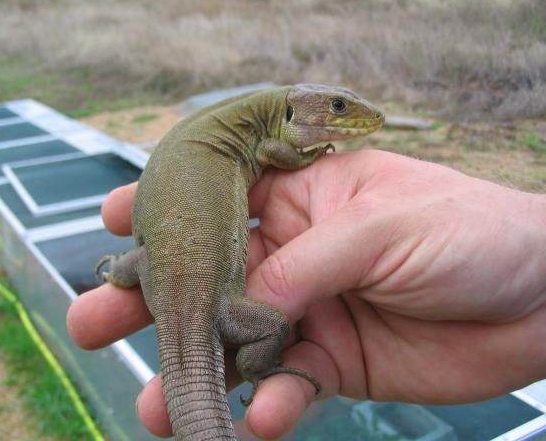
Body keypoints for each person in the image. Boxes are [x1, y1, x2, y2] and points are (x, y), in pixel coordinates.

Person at [67, 149, 546, 440]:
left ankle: (117, 274)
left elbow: (147, 257)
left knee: (143, 266)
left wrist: (121, 270)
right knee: (273, 323)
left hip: (164, 293)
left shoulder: (194, 171)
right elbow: (275, 320)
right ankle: (257, 367)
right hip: (213, 309)